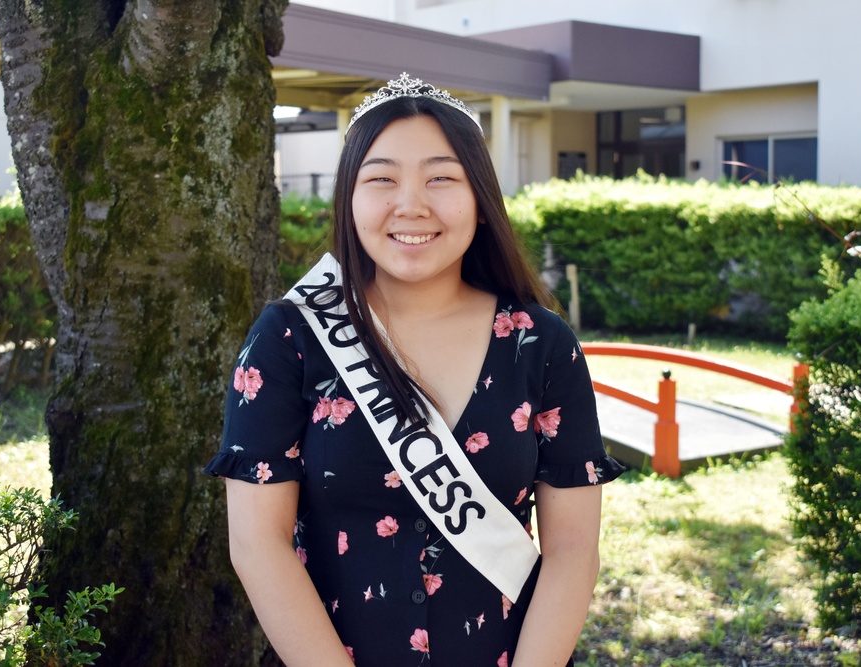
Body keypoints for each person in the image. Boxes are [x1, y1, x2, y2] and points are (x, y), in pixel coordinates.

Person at [205, 73, 624, 667]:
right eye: (381, 178)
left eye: (441, 178)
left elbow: (573, 547)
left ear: (480, 201)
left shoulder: (541, 345)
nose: (411, 204)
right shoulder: (291, 338)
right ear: (349, 198)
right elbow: (257, 542)